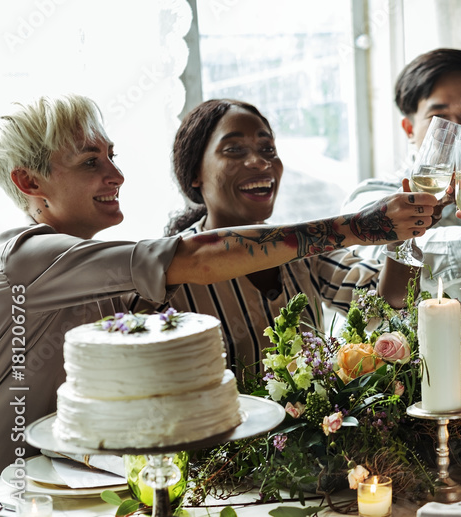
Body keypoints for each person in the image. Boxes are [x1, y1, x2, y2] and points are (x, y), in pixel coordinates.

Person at [0, 94, 437, 466]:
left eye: (112, 156)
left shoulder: (300, 259)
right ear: (28, 181)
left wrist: (408, 231)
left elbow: (390, 302)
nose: (116, 175)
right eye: (91, 162)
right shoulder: (32, 258)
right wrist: (363, 225)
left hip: (70, 476)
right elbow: (201, 258)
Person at [127, 99, 414, 372]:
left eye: (268, 150)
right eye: (234, 150)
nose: (260, 162)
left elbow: (386, 304)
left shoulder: (307, 250)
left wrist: (404, 235)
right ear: (194, 174)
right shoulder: (172, 270)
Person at [343, 48, 461, 297]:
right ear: (409, 128)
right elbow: (377, 256)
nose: (456, 128)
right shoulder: (370, 197)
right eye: (439, 118)